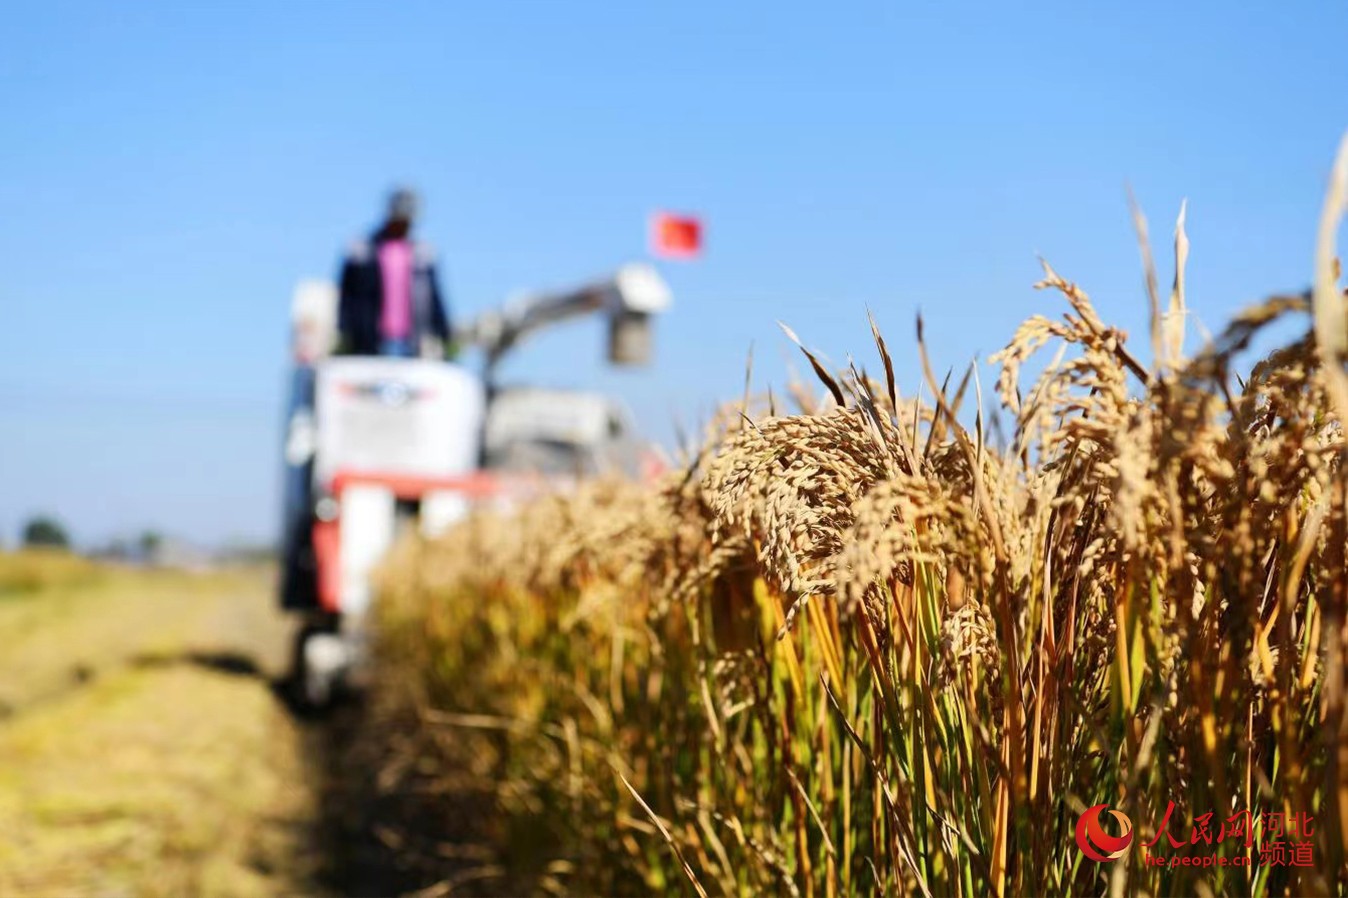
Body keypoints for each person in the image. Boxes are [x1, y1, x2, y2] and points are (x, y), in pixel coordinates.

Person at [337, 188, 452, 357]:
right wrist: (345, 331)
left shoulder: (423, 254)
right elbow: (346, 298)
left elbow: (435, 300)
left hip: (411, 344)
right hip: (368, 343)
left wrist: (444, 334)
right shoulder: (361, 251)